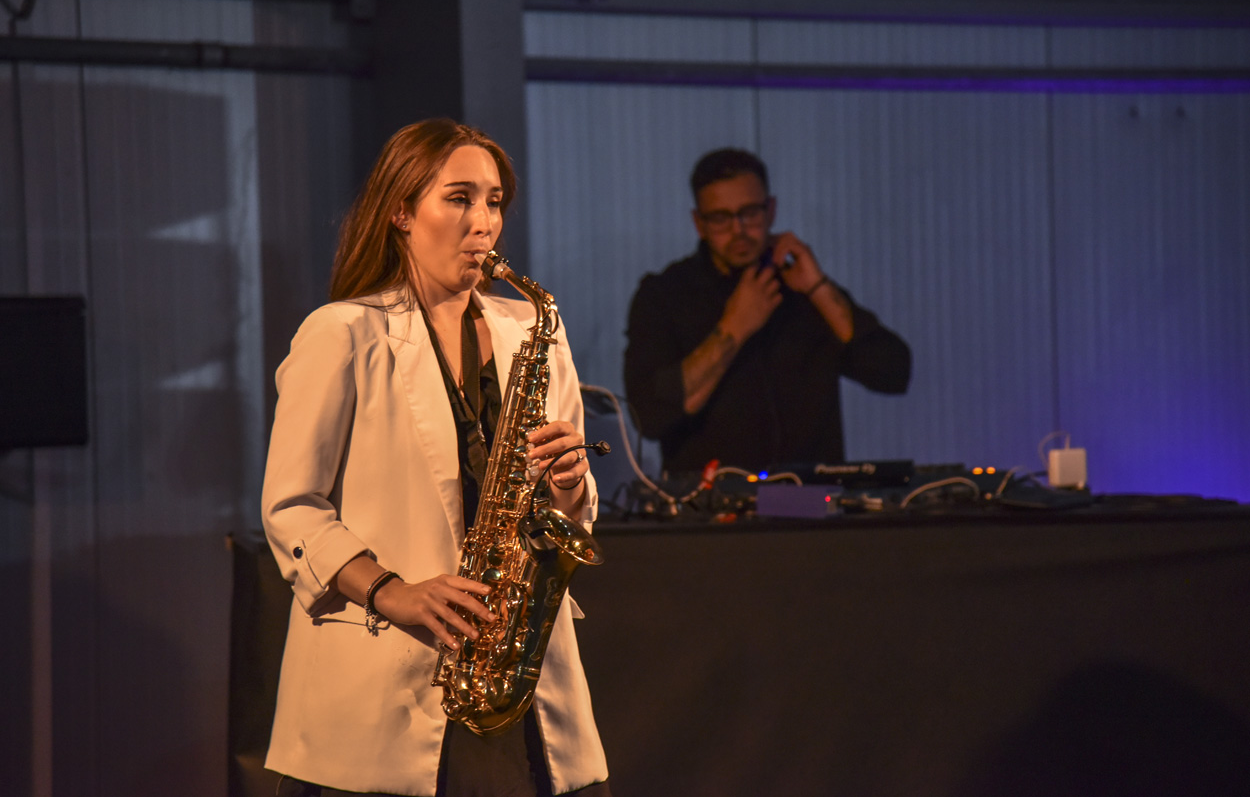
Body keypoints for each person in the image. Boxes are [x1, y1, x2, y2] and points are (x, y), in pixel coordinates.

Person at [261, 119, 611, 797]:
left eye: (494, 202)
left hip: (518, 675)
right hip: (380, 689)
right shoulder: (343, 332)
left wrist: (570, 485)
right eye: (459, 198)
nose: (484, 223)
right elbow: (291, 509)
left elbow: (570, 514)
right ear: (400, 211)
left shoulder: (532, 328)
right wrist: (393, 591)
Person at [624, 147, 911, 474]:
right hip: (710, 500)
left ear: (771, 210)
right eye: (720, 218)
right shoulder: (664, 295)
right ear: (699, 223)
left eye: (750, 213)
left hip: (809, 498)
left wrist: (818, 288)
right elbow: (649, 416)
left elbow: (893, 372)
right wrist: (735, 327)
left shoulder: (800, 288)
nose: (738, 230)